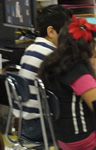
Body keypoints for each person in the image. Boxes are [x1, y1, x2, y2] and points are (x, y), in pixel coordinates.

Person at [38, 15, 96, 150]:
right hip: (84, 142)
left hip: (63, 139)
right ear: (84, 47)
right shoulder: (78, 72)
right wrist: (95, 72)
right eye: (95, 45)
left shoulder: (53, 63)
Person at [15, 5, 72, 142]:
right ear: (51, 31)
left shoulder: (31, 48)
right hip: (40, 126)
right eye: (67, 31)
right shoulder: (51, 55)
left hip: (24, 123)